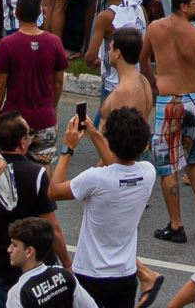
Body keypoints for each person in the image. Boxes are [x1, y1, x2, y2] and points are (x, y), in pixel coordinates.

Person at [49, 103, 159, 308]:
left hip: (90, 274)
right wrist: (93, 134)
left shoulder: (95, 178)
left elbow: (53, 191)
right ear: (144, 146)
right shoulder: (148, 172)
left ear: (110, 140)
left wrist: (68, 148)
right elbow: (118, 164)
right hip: (125, 274)